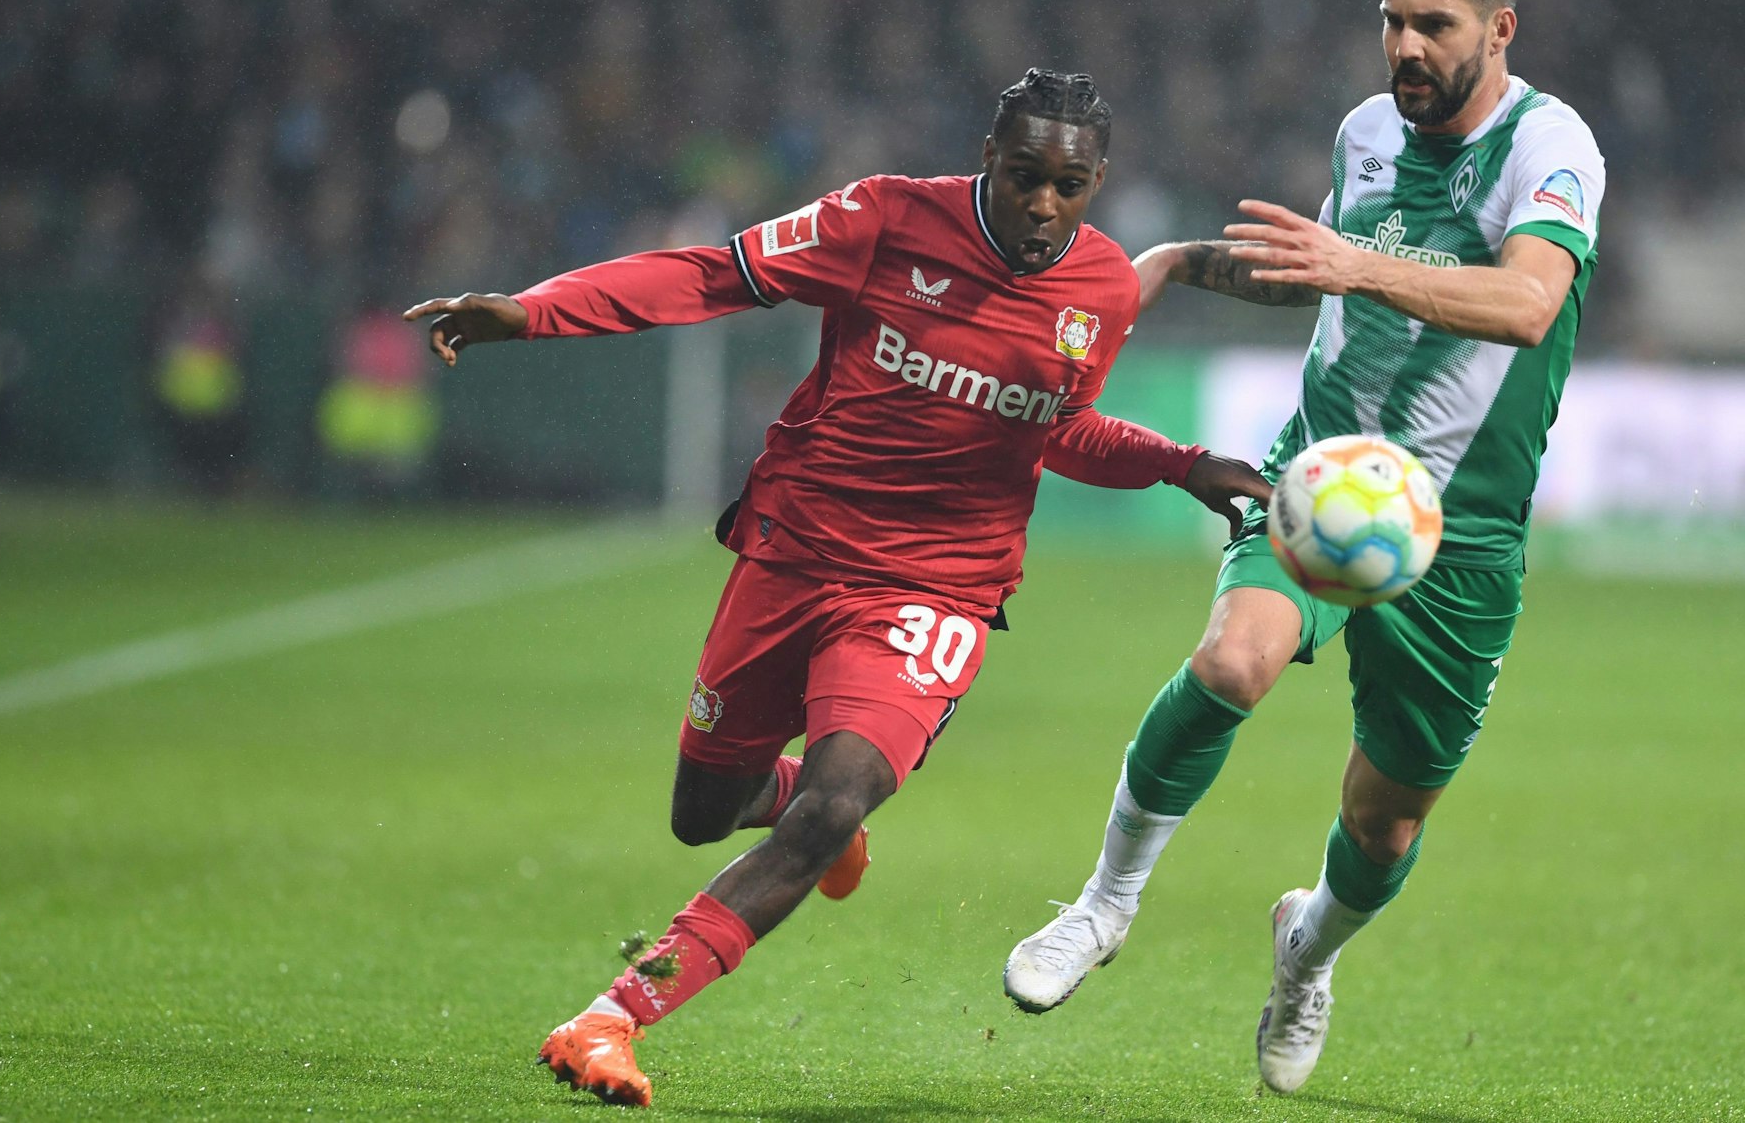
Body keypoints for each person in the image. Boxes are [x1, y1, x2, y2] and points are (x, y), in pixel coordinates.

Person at [403, 69, 1271, 1108]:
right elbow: (710, 275)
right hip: (795, 548)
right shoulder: (884, 218)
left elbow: (1058, 429)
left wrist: (1184, 463)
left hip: (935, 589)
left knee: (835, 793)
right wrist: (536, 312)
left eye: (1069, 186)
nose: (1044, 204)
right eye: (1026, 176)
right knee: (700, 810)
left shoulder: (1095, 290)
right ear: (986, 159)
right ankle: (806, 811)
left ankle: (613, 1015)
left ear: (1096, 184)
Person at [1001, 0, 1606, 1096]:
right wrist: (1181, 260)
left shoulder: (1549, 145)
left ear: (1499, 27)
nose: (1405, 47)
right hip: (1323, 472)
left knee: (1385, 827)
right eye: (1390, 21)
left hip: (1456, 531)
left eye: (1433, 23)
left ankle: (1305, 948)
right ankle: (1100, 906)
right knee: (1233, 661)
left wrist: (1351, 267)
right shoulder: (1364, 131)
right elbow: (1315, 271)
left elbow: (1526, 302)